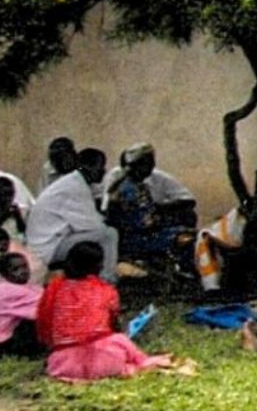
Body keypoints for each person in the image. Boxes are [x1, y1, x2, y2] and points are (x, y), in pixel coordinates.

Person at [37, 241, 185, 381]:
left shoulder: (53, 289)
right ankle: (140, 362)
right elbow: (112, 325)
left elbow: (44, 324)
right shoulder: (105, 290)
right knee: (119, 338)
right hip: (107, 359)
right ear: (98, 266)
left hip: (63, 364)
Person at [102, 144, 198, 273]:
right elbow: (144, 223)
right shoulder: (130, 190)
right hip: (136, 240)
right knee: (188, 238)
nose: (152, 166)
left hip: (134, 235)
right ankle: (187, 274)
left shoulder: (129, 185)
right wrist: (170, 225)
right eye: (149, 163)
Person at [28, 148, 120, 279]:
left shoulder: (73, 182)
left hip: (53, 241)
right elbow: (94, 226)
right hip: (47, 249)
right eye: (100, 167)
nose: (103, 171)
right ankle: (107, 281)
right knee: (109, 234)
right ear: (87, 167)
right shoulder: (75, 187)